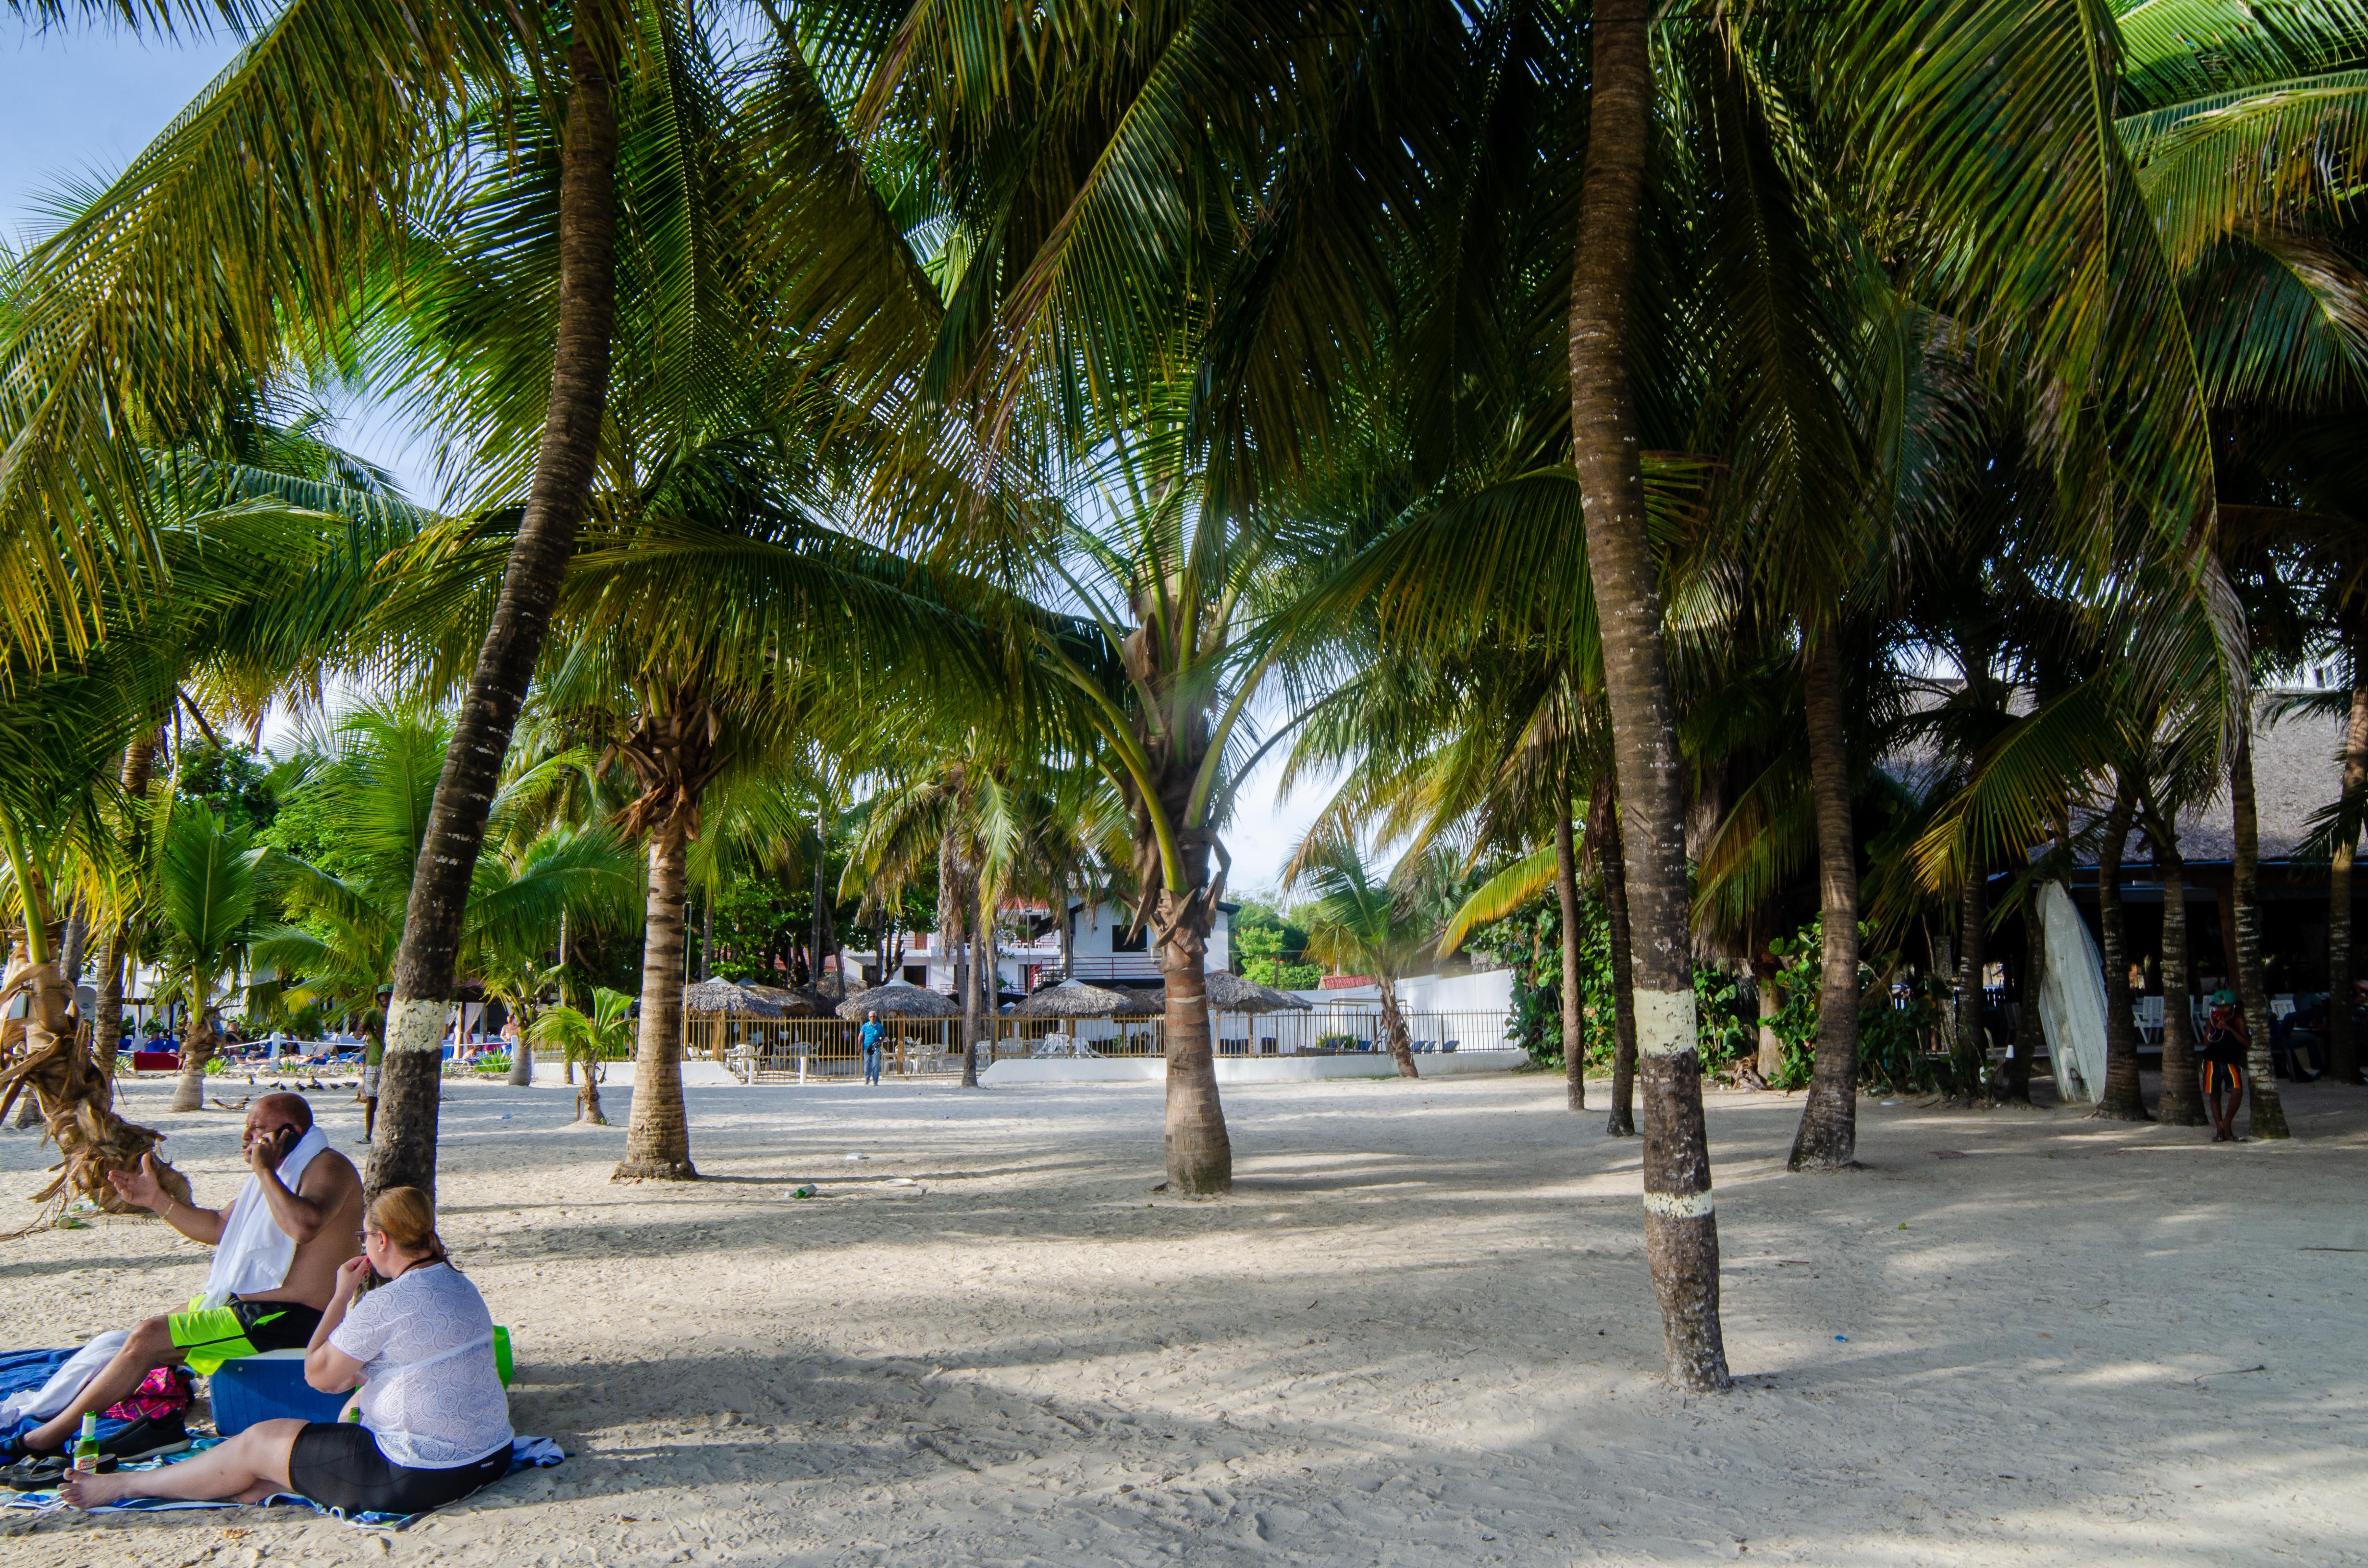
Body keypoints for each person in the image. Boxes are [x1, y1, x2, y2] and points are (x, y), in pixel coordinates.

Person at [62, 1187, 514, 1517]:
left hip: (420, 1472)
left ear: (380, 1241)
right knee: (258, 1475)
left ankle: (121, 1485)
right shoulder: (459, 1283)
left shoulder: (386, 1301)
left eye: (364, 1238)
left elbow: (322, 1377)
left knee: (260, 1439)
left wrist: (340, 1296)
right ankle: (247, 1482)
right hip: (490, 1456)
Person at [2, 1094, 363, 1464]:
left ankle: (46, 1438)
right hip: (251, 1308)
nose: (246, 1137)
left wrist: (265, 1171)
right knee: (136, 1336)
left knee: (149, 1337)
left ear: (291, 1133)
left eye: (257, 1129)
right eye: (246, 1127)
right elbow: (220, 1226)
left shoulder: (327, 1167)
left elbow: (304, 1227)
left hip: (288, 1318)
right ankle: (62, 1406)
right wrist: (156, 1200)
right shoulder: (275, 1177)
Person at [2200, 988, 2249, 1142]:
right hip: (2212, 1061)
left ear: (2233, 1006)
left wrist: (2229, 1029)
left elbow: (2246, 1043)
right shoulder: (2212, 1020)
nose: (2221, 1009)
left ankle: (2226, 1122)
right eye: (2218, 1007)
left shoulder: (2238, 1020)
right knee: (2214, 1095)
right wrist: (2213, 1027)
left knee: (2237, 1092)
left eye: (2225, 1006)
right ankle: (2220, 1130)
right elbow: (2207, 1043)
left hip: (2231, 1061)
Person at [860, 1009, 885, 1086]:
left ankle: (875, 1080)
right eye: (871, 1017)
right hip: (867, 1047)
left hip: (876, 1048)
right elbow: (861, 1036)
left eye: (874, 1017)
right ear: (869, 1018)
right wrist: (859, 1046)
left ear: (876, 1017)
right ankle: (867, 1078)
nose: (873, 1018)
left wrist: (879, 1042)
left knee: (876, 1064)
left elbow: (883, 1037)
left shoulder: (879, 1026)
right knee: (867, 1064)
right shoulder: (865, 1026)